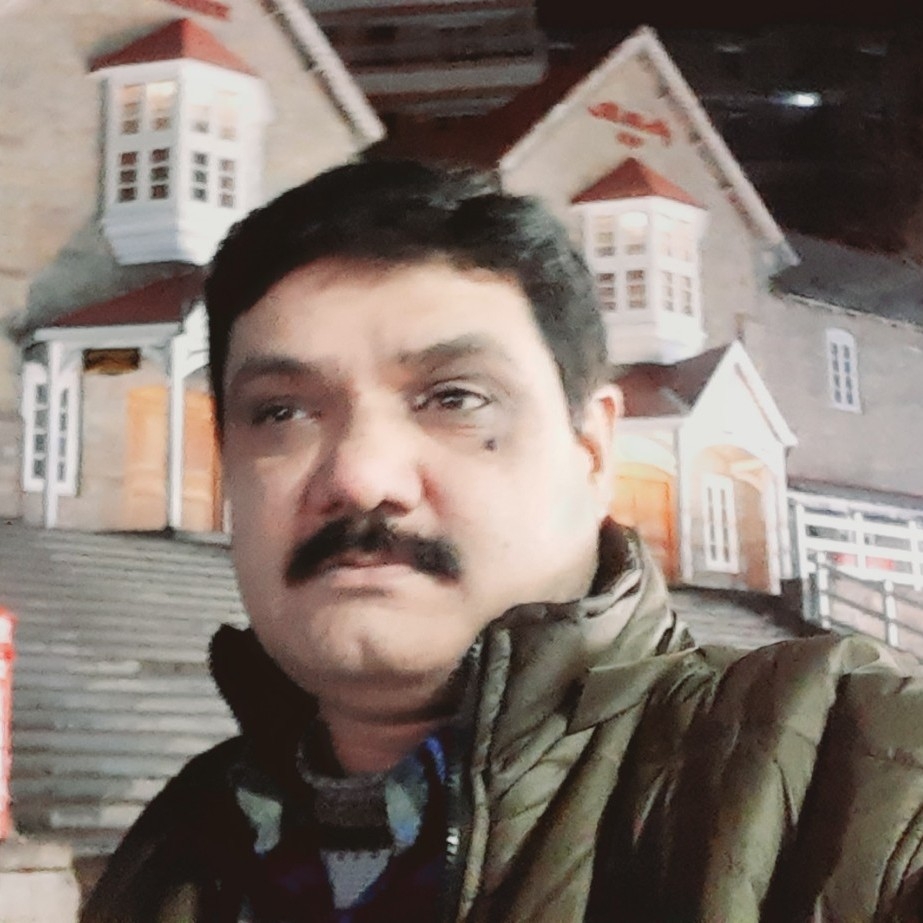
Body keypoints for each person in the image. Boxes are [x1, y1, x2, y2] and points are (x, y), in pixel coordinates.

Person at [82, 160, 923, 923]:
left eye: (453, 397)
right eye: (280, 411)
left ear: (591, 451)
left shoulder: (847, 775)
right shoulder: (177, 849)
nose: (361, 476)